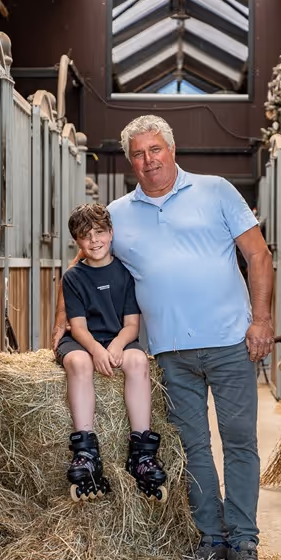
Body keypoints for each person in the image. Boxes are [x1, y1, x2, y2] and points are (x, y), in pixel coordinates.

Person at [53, 116, 274, 560]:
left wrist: (262, 320)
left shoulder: (216, 191)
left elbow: (258, 254)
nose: (148, 160)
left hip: (230, 340)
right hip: (170, 351)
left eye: (155, 149)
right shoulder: (118, 214)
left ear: (172, 150)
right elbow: (79, 264)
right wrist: (60, 327)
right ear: (129, 160)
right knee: (193, 448)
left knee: (239, 442)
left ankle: (243, 543)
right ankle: (211, 537)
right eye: (138, 153)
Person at [56, 203, 167, 503]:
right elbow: (78, 328)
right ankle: (85, 451)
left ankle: (142, 453)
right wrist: (95, 351)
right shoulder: (73, 277)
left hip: (118, 336)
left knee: (137, 360)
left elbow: (132, 326)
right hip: (83, 340)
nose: (94, 241)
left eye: (100, 232)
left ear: (111, 233)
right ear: (77, 241)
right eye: (85, 235)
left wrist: (116, 346)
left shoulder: (125, 274)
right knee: (79, 363)